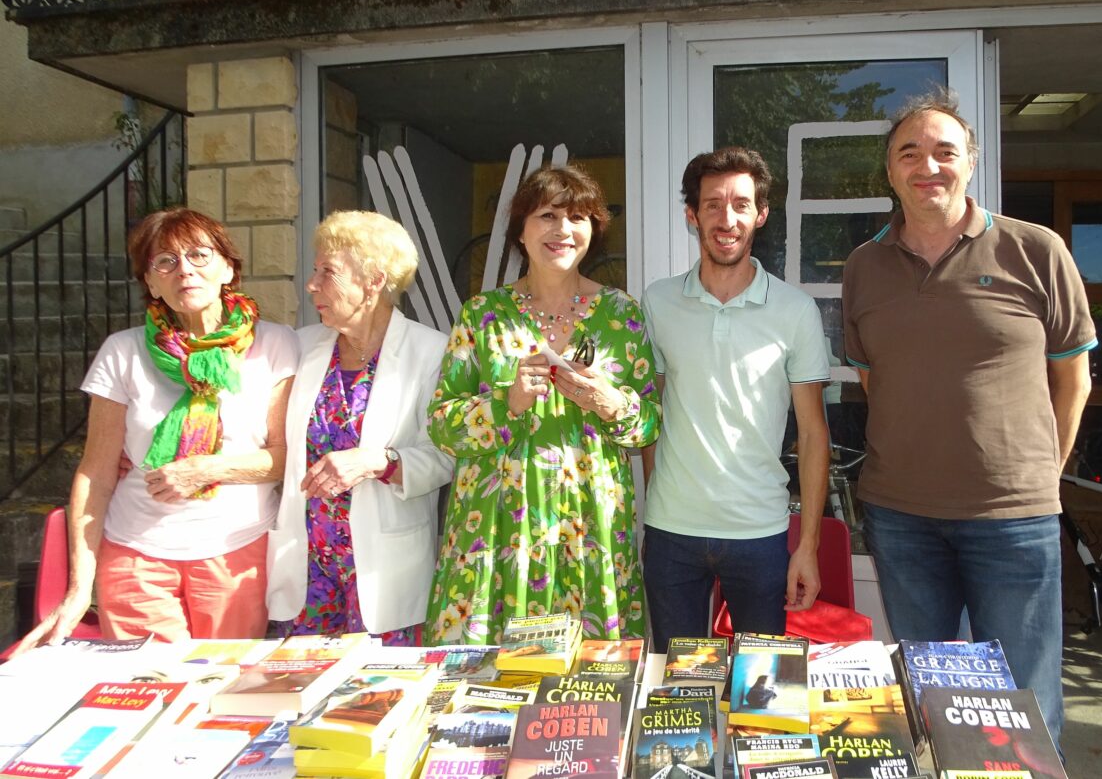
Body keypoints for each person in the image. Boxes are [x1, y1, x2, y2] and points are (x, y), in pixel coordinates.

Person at [842, 91, 1096, 747]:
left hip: (1012, 520)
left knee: (1023, 707)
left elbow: (1073, 376)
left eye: (944, 151)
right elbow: (877, 379)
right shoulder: (864, 266)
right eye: (910, 152)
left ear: (970, 164)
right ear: (891, 171)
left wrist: (1044, 471)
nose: (928, 164)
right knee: (930, 699)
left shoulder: (1035, 250)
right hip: (901, 519)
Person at [14, 208, 298, 650]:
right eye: (164, 261)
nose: (184, 269)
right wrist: (77, 590)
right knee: (148, 691)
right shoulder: (122, 352)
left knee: (223, 692)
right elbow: (96, 474)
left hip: (237, 554)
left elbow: (284, 458)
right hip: (135, 556)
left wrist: (205, 470)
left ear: (228, 268)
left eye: (200, 255)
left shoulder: (276, 344)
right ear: (150, 283)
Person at [426, 165, 660, 644]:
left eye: (578, 216)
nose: (563, 230)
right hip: (496, 528)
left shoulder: (621, 314)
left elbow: (650, 426)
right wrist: (504, 404)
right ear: (521, 230)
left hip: (589, 524)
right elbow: (441, 425)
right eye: (547, 215)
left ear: (593, 230)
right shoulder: (483, 314)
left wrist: (613, 403)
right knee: (488, 691)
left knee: (589, 692)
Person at [640, 147, 831, 652]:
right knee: (678, 698)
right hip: (671, 532)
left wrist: (806, 545)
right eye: (713, 205)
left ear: (761, 214)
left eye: (741, 204)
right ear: (692, 215)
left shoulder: (795, 311)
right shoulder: (656, 302)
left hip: (761, 535)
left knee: (761, 692)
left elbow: (813, 435)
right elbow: (649, 415)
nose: (727, 219)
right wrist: (660, 494)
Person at [267, 211, 454, 645]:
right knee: (300, 688)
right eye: (314, 271)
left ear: (373, 281)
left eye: (327, 272)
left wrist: (378, 462)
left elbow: (447, 456)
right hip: (307, 567)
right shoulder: (300, 346)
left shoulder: (431, 352)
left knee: (379, 696)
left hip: (381, 569)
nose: (312, 284)